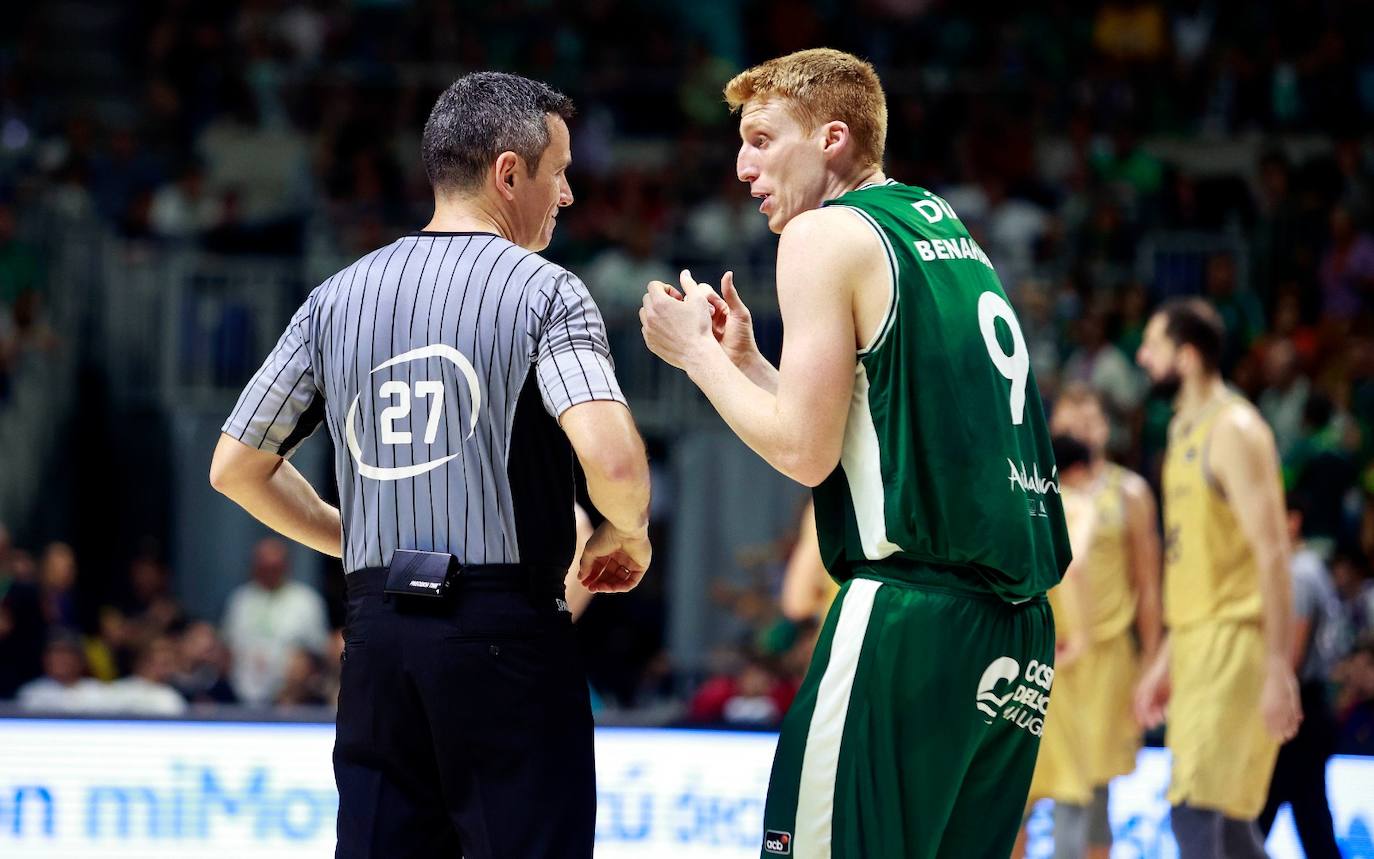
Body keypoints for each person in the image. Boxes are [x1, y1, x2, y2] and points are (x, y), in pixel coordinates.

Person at [640, 48, 1071, 858]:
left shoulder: (820, 234)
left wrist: (694, 354)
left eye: (762, 140)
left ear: (831, 140)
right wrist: (749, 364)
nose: (742, 167)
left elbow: (804, 453)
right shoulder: (935, 223)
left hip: (911, 615)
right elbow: (879, 425)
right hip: (1015, 636)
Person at [210, 71, 652, 859]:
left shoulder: (334, 298)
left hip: (376, 638)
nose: (569, 194)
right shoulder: (547, 292)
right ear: (509, 173)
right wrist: (626, 532)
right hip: (505, 637)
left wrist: (356, 541)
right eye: (559, 173)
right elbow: (614, 464)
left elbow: (236, 467)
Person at [1134, 298, 1302, 859]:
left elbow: (1273, 553)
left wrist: (1278, 665)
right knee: (1226, 824)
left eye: (1153, 346)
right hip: (1197, 644)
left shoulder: (1233, 428)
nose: (1142, 357)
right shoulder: (1182, 430)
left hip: (1236, 645)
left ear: (1186, 356)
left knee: (1195, 812)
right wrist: (1165, 660)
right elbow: (1196, 567)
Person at [1046, 383, 1163, 859]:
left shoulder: (1129, 492)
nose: (1079, 428)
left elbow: (1149, 586)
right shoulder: (1032, 485)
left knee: (1094, 794)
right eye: (1069, 419)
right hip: (1044, 655)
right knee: (1021, 793)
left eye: (1089, 419)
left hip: (1106, 659)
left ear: (1105, 428)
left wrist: (1152, 664)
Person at [1018, 435, 1097, 859]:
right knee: (1069, 790)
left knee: (1014, 789)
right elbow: (1074, 561)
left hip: (1019, 652)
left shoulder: (1020, 497)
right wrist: (1081, 636)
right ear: (1080, 471)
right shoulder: (1078, 504)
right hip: (1061, 657)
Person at [1257, 492, 1344, 858]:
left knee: (1257, 819)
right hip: (1307, 709)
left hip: (1297, 711)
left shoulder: (1298, 573)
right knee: (1311, 822)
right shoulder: (1308, 567)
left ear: (1293, 521)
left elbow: (1292, 654)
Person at [220, 537, 329, 705]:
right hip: (241, 694)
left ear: (286, 567)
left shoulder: (307, 601)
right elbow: (226, 648)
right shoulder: (239, 600)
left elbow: (318, 652)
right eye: (264, 567)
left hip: (291, 699)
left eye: (274, 567)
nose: (269, 573)